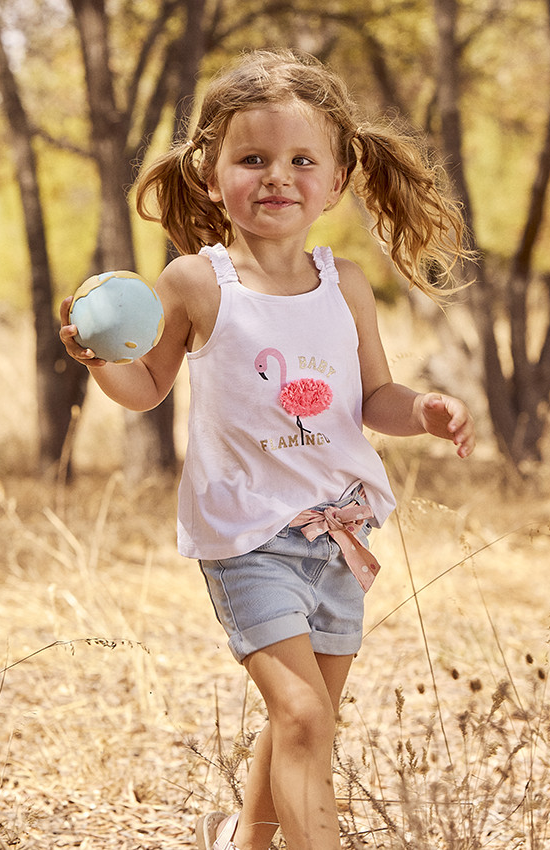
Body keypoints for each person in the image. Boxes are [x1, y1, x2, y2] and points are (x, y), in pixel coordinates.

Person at [59, 48, 476, 850]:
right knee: (303, 713)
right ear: (212, 176)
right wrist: (103, 362)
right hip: (248, 535)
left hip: (338, 534)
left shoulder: (344, 282)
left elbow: (373, 398)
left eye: (299, 160)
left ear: (339, 180)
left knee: (306, 720)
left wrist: (424, 409)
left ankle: (246, 843)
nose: (276, 176)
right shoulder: (196, 282)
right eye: (252, 159)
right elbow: (147, 387)